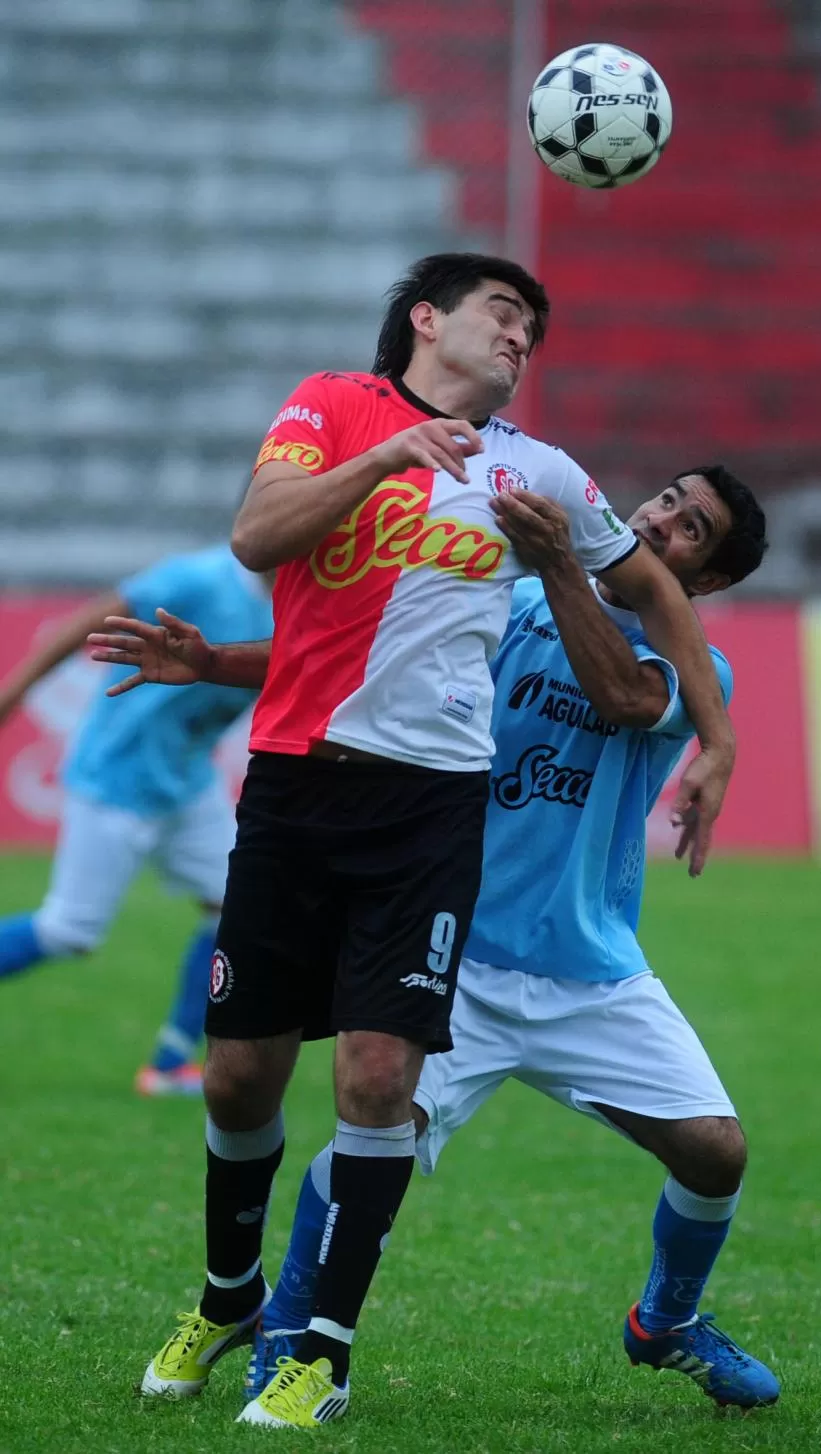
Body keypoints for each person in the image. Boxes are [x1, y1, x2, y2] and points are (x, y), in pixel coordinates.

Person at [115, 251, 736, 1431]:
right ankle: (227, 1293)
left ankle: (322, 1354)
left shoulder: (540, 471)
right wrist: (385, 456)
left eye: (532, 332)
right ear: (425, 319)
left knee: (377, 1078)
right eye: (503, 315)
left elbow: (654, 587)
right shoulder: (330, 404)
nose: (519, 339)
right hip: (296, 789)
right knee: (242, 1073)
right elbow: (259, 535)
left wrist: (717, 741)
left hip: (430, 807)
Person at [0, 545, 274, 1093]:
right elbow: (89, 621)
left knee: (237, 907)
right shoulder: (202, 578)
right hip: (117, 778)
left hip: (187, 783)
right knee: (69, 930)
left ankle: (171, 1064)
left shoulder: (301, 601)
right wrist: (12, 694)